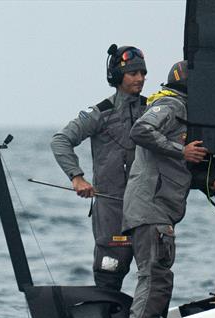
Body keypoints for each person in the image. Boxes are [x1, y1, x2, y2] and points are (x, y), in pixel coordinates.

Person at [122, 60, 215, 318]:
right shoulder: (171, 105)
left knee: (158, 274)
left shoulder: (182, 112)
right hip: (150, 209)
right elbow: (141, 130)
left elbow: (174, 171)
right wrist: (181, 151)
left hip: (156, 209)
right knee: (155, 275)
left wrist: (209, 184)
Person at [50, 45, 148, 291]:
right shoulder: (99, 114)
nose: (140, 78)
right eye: (133, 73)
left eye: (143, 73)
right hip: (111, 209)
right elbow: (60, 141)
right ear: (117, 77)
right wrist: (77, 177)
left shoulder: (154, 110)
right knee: (109, 274)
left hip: (149, 208)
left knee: (156, 274)